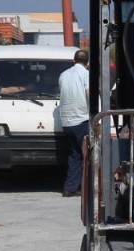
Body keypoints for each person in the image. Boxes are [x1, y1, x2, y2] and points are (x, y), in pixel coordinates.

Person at [58, 49, 90, 198]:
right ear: (87, 62)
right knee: (89, 154)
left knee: (74, 155)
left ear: (74, 60)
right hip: (81, 118)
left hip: (66, 120)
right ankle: (89, 188)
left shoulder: (63, 74)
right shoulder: (85, 74)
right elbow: (88, 94)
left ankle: (70, 187)